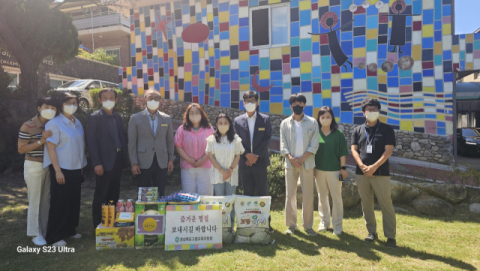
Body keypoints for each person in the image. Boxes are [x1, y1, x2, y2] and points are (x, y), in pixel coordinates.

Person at [351, 97, 397, 248]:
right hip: (361, 173)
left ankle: (390, 237)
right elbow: (354, 150)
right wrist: (363, 166)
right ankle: (371, 232)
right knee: (366, 204)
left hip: (381, 173)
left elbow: (388, 151)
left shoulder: (386, 129)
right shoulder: (357, 130)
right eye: (369, 110)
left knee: (386, 204)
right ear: (363, 112)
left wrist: (374, 167)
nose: (372, 112)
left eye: (375, 110)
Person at [43, 92, 87, 247]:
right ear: (61, 105)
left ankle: (70, 229)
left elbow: (79, 146)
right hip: (61, 168)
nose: (72, 106)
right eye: (69, 103)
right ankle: (54, 236)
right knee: (59, 202)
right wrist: (57, 171)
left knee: (73, 200)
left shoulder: (77, 122)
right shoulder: (54, 123)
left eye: (75, 103)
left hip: (76, 168)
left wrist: (81, 165)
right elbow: (51, 148)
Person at [18, 97, 58, 246]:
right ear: (39, 108)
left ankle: (44, 229)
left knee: (46, 200)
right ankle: (35, 233)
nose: (50, 110)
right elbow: (21, 149)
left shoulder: (53, 124)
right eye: (47, 107)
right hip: (34, 165)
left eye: (53, 108)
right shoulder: (28, 125)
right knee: (35, 200)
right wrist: (41, 141)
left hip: (48, 166)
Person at [87, 88, 129, 228]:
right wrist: (97, 163)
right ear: (99, 100)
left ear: (116, 100)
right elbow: (92, 143)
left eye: (112, 97)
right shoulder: (94, 118)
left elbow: (122, 138)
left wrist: (124, 159)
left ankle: (110, 220)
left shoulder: (117, 117)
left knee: (114, 192)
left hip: (117, 160)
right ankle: (98, 223)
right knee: (101, 193)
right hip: (103, 162)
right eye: (105, 98)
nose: (108, 100)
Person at [233, 90, 273, 233]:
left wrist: (255, 155)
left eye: (252, 100)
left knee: (263, 193)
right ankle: (248, 222)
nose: (250, 103)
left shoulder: (265, 119)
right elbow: (236, 140)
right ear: (243, 103)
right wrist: (246, 156)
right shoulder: (237, 121)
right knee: (248, 193)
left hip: (260, 162)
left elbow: (267, 139)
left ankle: (266, 223)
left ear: (257, 102)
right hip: (244, 163)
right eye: (247, 101)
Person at [280, 94, 319, 236]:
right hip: (290, 164)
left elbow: (314, 144)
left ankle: (308, 226)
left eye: (300, 103)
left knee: (308, 195)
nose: (298, 105)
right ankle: (291, 225)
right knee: (290, 195)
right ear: (290, 106)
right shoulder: (284, 123)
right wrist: (290, 158)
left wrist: (302, 158)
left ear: (304, 105)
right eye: (295, 103)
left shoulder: (312, 122)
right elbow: (283, 144)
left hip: (307, 163)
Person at [128, 89, 174, 196]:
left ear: (160, 101)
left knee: (160, 192)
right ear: (145, 99)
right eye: (150, 98)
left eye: (156, 98)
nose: (153, 100)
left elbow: (170, 141)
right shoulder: (135, 118)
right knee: (144, 194)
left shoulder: (166, 119)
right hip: (143, 161)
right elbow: (132, 142)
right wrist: (134, 162)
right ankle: (145, 212)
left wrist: (171, 159)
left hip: (161, 161)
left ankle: (160, 212)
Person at [314, 106, 349, 236]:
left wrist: (343, 168)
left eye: (328, 117)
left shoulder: (338, 134)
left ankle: (337, 226)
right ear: (319, 118)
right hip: (319, 170)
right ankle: (324, 222)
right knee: (322, 197)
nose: (325, 119)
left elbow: (342, 153)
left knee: (336, 198)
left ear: (332, 118)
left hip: (334, 171)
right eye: (323, 117)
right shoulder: (315, 133)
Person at [206, 113, 244, 229]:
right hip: (218, 175)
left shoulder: (236, 139)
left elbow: (238, 155)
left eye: (225, 123)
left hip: (231, 175)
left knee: (230, 201)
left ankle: (231, 227)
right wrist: (222, 170)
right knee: (220, 200)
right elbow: (210, 156)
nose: (223, 125)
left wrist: (230, 170)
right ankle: (219, 227)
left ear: (229, 124)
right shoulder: (211, 139)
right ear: (216, 125)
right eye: (220, 123)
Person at [174, 103, 214, 195]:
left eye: (197, 112)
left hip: (205, 167)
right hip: (188, 168)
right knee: (189, 196)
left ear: (202, 113)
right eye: (191, 113)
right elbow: (178, 145)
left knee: (206, 196)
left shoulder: (208, 128)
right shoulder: (182, 129)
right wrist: (189, 160)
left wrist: (203, 159)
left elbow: (212, 146)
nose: (194, 115)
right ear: (187, 115)